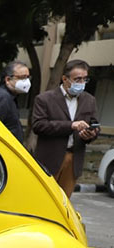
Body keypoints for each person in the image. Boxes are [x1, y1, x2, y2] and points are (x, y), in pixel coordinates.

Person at [32, 59, 100, 197]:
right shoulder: (44, 99)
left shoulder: (89, 100)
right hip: (50, 158)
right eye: (77, 79)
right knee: (43, 198)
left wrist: (91, 134)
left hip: (74, 159)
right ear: (65, 79)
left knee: (64, 202)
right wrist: (70, 125)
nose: (81, 83)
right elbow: (38, 125)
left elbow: (95, 124)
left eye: (85, 79)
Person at [0, 61, 30, 142]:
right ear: (8, 79)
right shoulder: (2, 97)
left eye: (27, 77)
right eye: (22, 77)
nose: (26, 81)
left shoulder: (10, 97)